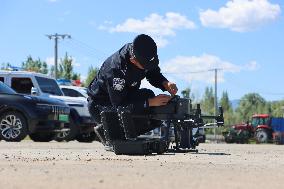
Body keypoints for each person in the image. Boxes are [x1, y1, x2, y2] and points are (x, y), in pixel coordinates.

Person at [87, 34, 178, 146]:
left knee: (151, 102)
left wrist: (165, 83)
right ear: (133, 60)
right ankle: (109, 132)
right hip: (103, 105)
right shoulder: (116, 70)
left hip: (125, 96)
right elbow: (120, 105)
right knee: (140, 108)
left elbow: (152, 73)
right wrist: (149, 102)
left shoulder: (143, 53)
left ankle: (115, 132)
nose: (147, 68)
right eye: (145, 66)